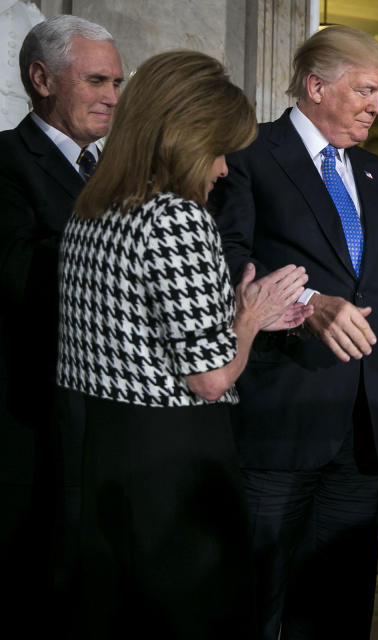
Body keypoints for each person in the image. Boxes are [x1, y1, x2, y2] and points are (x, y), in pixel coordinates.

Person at [209, 25, 378, 639]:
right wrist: (305, 304)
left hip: (362, 430)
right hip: (278, 423)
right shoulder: (247, 154)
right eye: (367, 91)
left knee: (341, 611)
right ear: (316, 85)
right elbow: (226, 259)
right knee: (258, 608)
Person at [57, 50, 312, 638]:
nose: (223, 169)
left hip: (101, 458)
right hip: (175, 467)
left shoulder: (90, 210)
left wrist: (240, 316)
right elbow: (211, 378)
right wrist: (248, 318)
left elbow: (137, 328)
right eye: (220, 149)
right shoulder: (179, 218)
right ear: (186, 138)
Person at [0, 14, 122, 632]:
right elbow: (17, 275)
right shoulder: (2, 160)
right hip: (30, 424)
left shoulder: (122, 173)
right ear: (41, 78)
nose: (112, 98)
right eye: (97, 80)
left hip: (109, 424)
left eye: (118, 83)